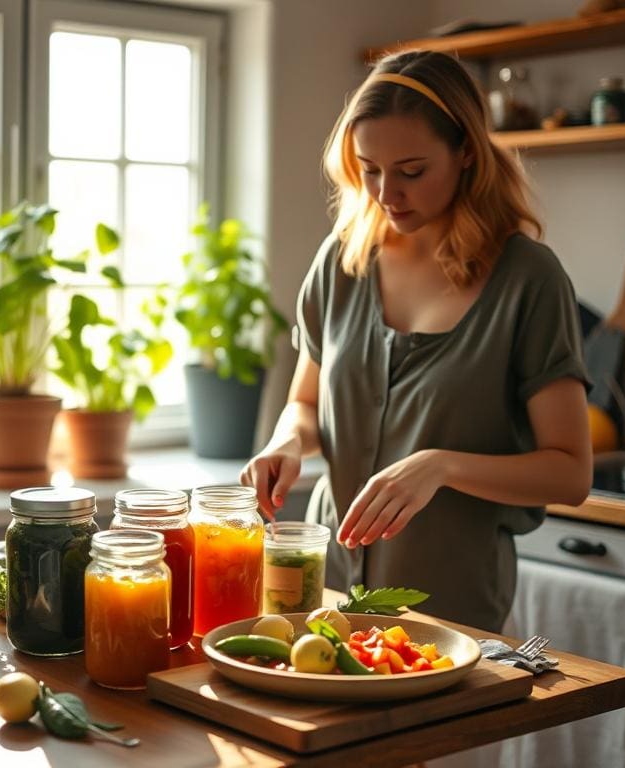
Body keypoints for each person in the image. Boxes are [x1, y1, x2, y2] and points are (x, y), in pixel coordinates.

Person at [240, 50, 592, 633]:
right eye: (368, 169)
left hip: (451, 611)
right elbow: (305, 405)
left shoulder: (529, 279)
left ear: (467, 156)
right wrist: (284, 444)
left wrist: (441, 466)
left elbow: (570, 473)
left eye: (411, 171)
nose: (386, 193)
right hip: (327, 591)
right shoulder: (343, 261)